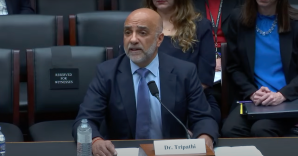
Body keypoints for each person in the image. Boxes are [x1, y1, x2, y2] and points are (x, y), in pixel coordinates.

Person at [73, 8, 219, 156]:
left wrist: (205, 136)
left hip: (171, 152)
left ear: (159, 39)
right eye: (128, 32)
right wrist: (96, 140)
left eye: (142, 33)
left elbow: (203, 118)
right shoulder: (107, 73)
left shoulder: (184, 72)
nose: (133, 39)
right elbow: (85, 120)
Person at [221, 0, 298, 137]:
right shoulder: (237, 18)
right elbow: (234, 66)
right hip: (252, 98)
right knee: (230, 129)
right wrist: (252, 92)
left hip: (288, 98)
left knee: (262, 128)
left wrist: (282, 95)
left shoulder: (295, 21)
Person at [141, 0, 221, 124]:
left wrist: (176, 104)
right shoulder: (138, 27)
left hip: (193, 102)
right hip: (149, 100)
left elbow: (204, 79)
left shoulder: (201, 26)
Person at [194, 0, 244, 108]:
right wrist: (209, 59)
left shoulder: (240, 2)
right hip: (200, 52)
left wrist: (225, 58)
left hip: (231, 52)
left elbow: (243, 39)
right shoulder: (189, 3)